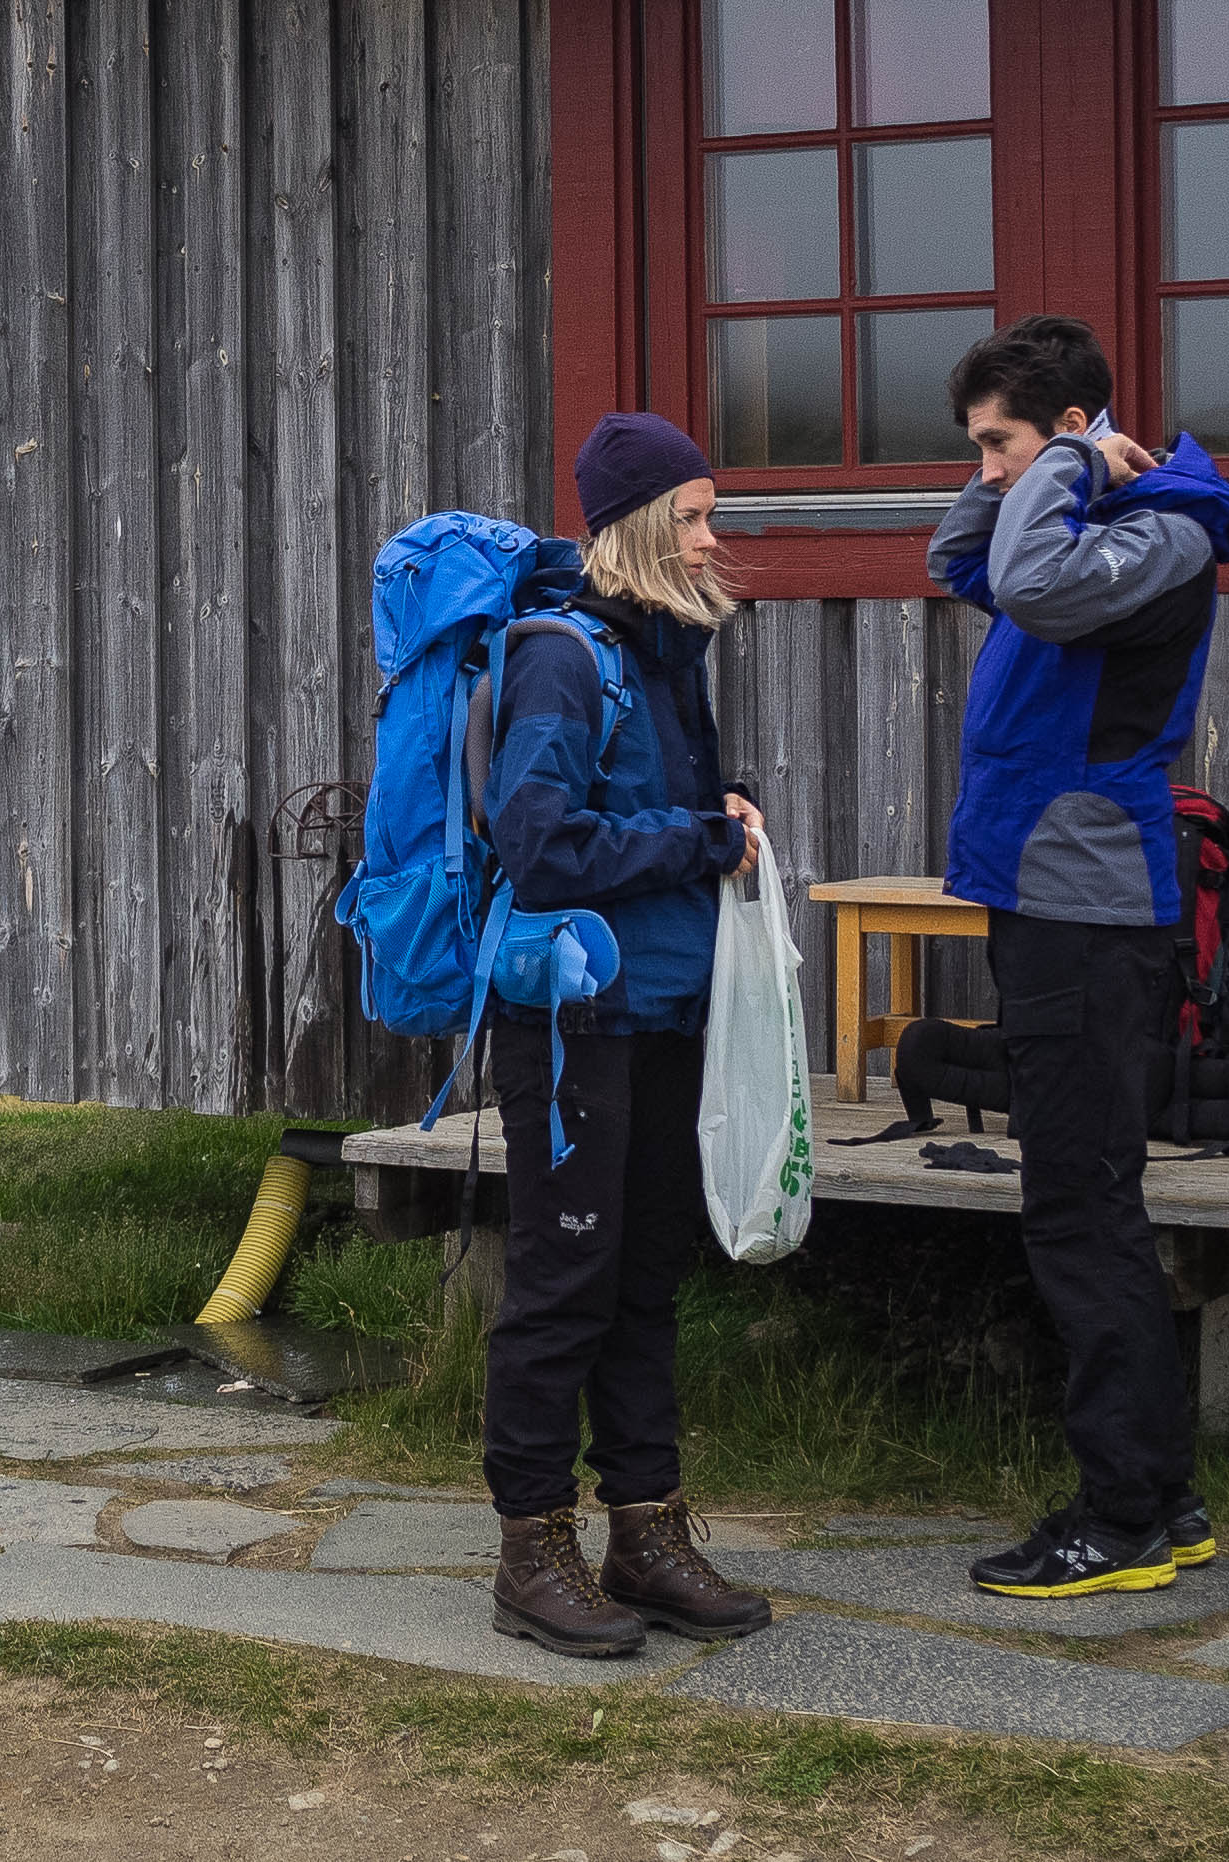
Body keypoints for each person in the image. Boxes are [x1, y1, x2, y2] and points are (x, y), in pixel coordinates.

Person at [927, 313, 1229, 1598]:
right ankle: (1161, 1504)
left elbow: (1028, 586)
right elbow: (961, 555)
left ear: (1067, 428)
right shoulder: (1060, 514)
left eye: (996, 440)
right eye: (974, 445)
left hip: (1084, 899)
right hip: (1044, 890)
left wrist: (1061, 466)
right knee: (1082, 1201)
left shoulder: (1158, 535)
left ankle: (1116, 1514)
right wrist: (1016, 470)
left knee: (1078, 1208)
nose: (986, 469)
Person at [476, 412, 775, 1659]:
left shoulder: (665, 651)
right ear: (640, 526)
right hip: (572, 1022)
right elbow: (534, 843)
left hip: (661, 1009)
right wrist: (701, 839)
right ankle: (529, 1544)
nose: (713, 539)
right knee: (564, 1281)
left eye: (711, 514)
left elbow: (638, 804)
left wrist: (719, 803)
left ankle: (642, 1530)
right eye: (694, 516)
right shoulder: (561, 652)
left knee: (644, 1278)